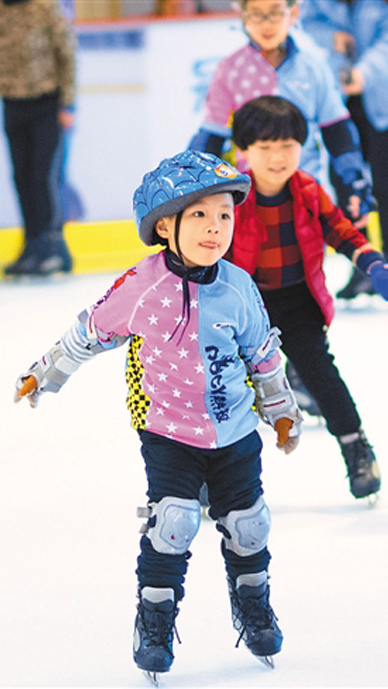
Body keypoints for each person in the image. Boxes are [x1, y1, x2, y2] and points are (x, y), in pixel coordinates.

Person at [14, 150, 303, 680]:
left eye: (224, 215)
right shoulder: (141, 285)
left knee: (249, 525)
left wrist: (281, 411)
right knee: (173, 522)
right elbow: (90, 332)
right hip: (168, 431)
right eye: (200, 215)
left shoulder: (238, 287)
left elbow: (264, 356)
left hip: (235, 430)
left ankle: (253, 605)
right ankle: (155, 620)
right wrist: (44, 372)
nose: (215, 228)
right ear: (164, 226)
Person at [188, 0, 375, 417]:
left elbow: (337, 129)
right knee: (250, 282)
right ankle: (251, 373)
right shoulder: (230, 70)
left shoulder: (313, 65)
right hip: (247, 200)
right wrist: (190, 190)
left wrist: (353, 182)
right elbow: (211, 136)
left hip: (304, 197)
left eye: (275, 12)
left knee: (303, 283)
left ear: (294, 12)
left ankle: (302, 372)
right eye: (256, 14)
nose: (266, 23)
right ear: (241, 16)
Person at [230, 95, 388, 501]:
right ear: (244, 149)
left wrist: (373, 264)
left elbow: (342, 232)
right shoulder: (230, 197)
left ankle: (356, 448)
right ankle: (216, 472)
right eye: (266, 147)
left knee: (322, 377)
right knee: (228, 390)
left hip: (298, 302)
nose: (278, 157)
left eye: (287, 146)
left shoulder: (307, 190)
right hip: (245, 311)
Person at [300, 0, 388, 298]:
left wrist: (365, 73)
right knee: (345, 184)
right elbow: (308, 21)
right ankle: (363, 267)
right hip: (339, 102)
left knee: (385, 185)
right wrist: (330, 37)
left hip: (381, 100)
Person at [0, 0, 76, 277]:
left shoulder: (45, 7)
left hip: (46, 101)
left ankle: (51, 246)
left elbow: (66, 52)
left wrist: (68, 103)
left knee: (42, 177)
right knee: (21, 177)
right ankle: (32, 245)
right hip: (11, 100)